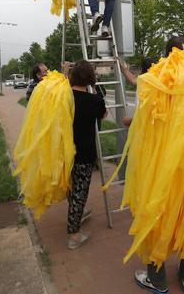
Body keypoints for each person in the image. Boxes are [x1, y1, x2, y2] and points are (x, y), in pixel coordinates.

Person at [134, 36, 184, 294]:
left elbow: (145, 124)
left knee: (157, 216)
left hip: (161, 165)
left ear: (166, 52)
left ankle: (157, 280)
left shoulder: (156, 77)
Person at [63, 60, 107, 250]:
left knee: (71, 187)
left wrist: (65, 72)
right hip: (84, 152)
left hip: (64, 152)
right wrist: (95, 90)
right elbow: (103, 115)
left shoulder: (64, 96)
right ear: (90, 78)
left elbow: (65, 87)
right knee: (80, 191)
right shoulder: (94, 100)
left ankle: (77, 213)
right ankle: (73, 234)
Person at [117, 57, 155, 127]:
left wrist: (131, 121)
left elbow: (145, 114)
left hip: (145, 129)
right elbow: (133, 79)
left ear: (141, 70)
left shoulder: (144, 84)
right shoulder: (156, 82)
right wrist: (124, 70)